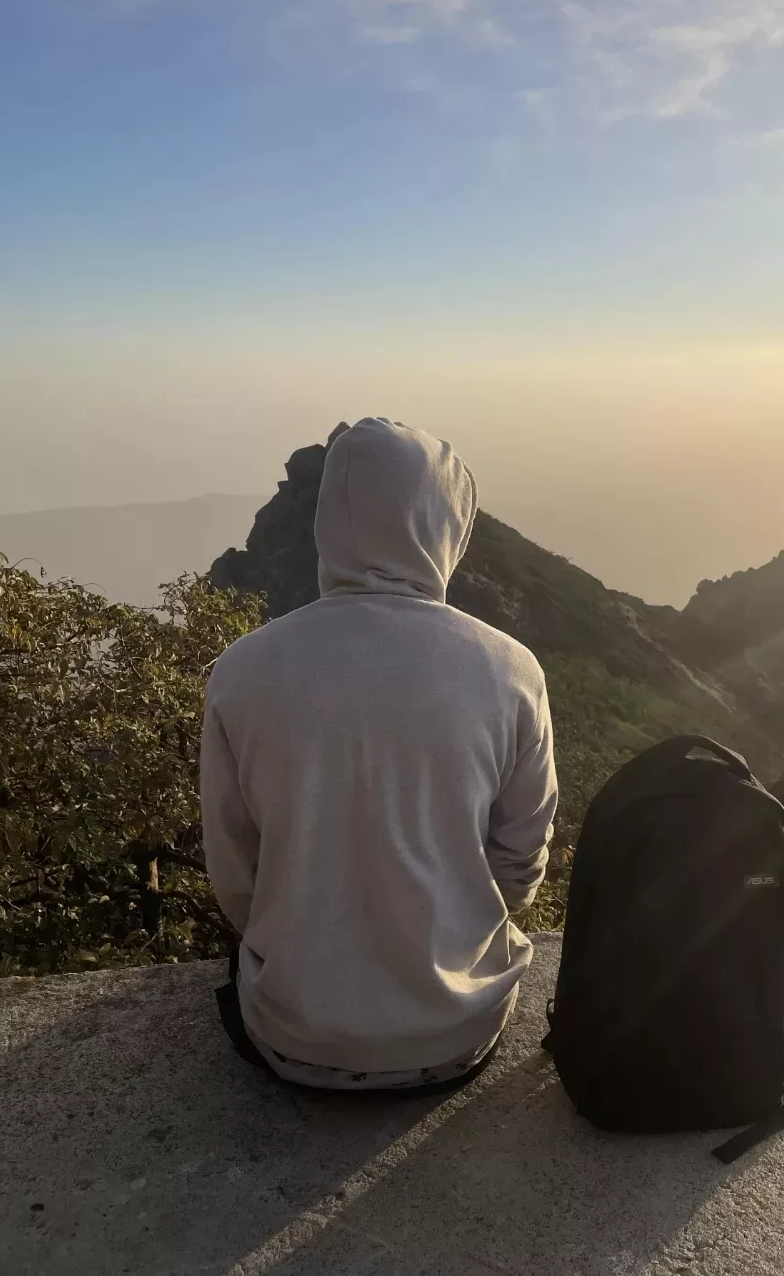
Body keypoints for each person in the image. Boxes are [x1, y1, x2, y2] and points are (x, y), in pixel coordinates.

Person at [201, 417, 557, 1091]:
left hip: (292, 1035)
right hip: (461, 1031)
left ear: (326, 521)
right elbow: (520, 861)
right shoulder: (511, 671)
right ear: (449, 523)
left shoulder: (242, 671)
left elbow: (235, 875)